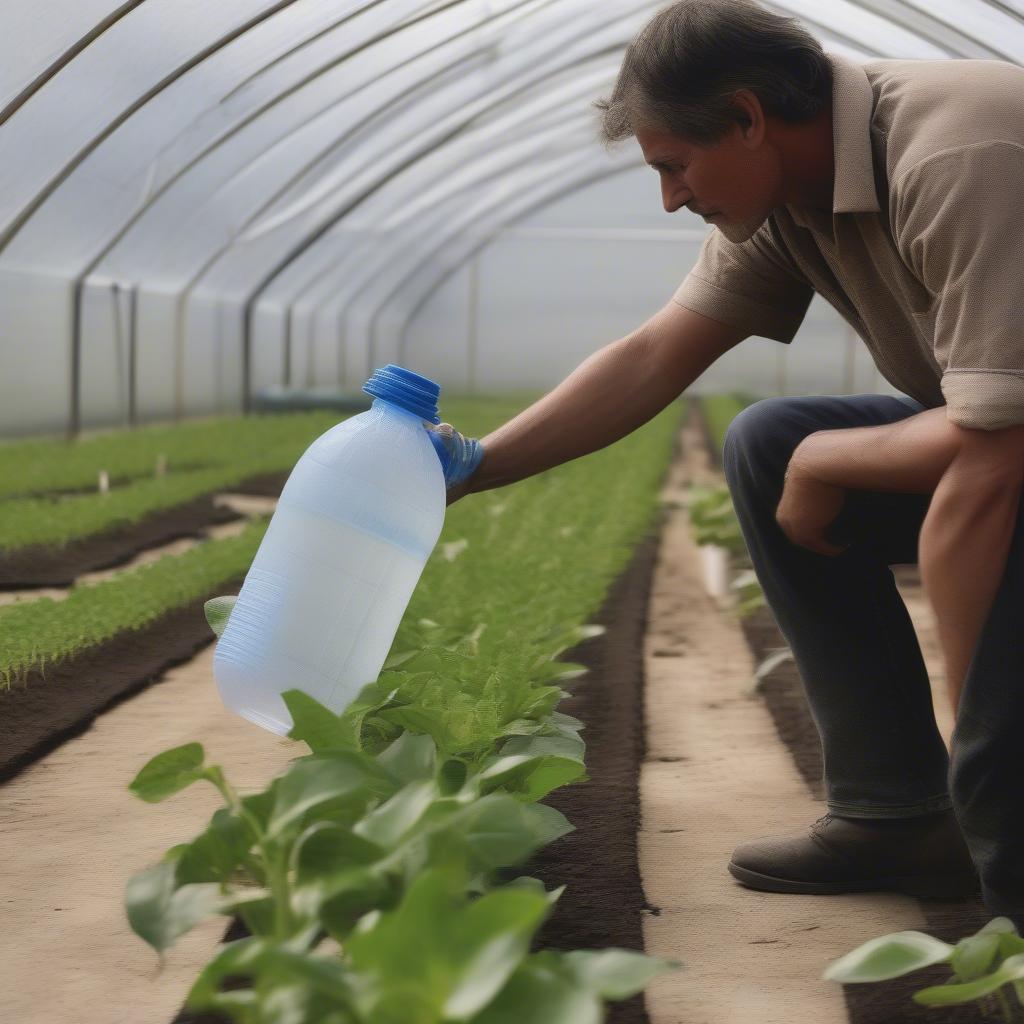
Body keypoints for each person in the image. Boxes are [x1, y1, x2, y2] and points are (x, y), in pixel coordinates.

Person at [427, 0, 1024, 928]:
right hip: (1005, 444)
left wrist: (980, 734)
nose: (669, 197)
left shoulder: (956, 152)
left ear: (747, 117)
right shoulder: (789, 195)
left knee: (1004, 772)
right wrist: (469, 470)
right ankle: (897, 815)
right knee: (770, 444)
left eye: (674, 165)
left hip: (1009, 456)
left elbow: (994, 460)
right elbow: (655, 354)